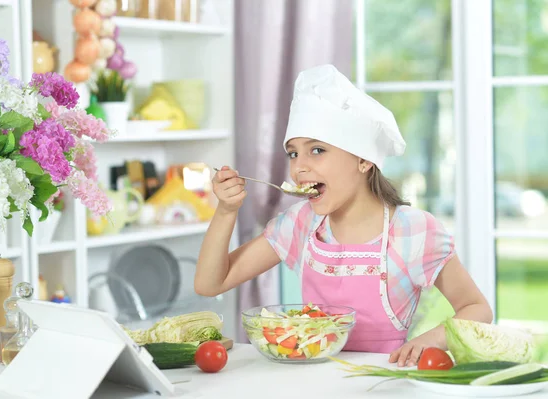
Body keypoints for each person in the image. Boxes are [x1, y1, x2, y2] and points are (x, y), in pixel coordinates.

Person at [194, 64, 493, 367]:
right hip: (311, 379)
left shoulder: (414, 231)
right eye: (293, 153)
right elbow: (209, 284)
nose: (299, 168)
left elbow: (477, 308)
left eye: (317, 150)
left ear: (364, 160)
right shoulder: (301, 223)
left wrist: (430, 338)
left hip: (383, 382)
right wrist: (226, 211)